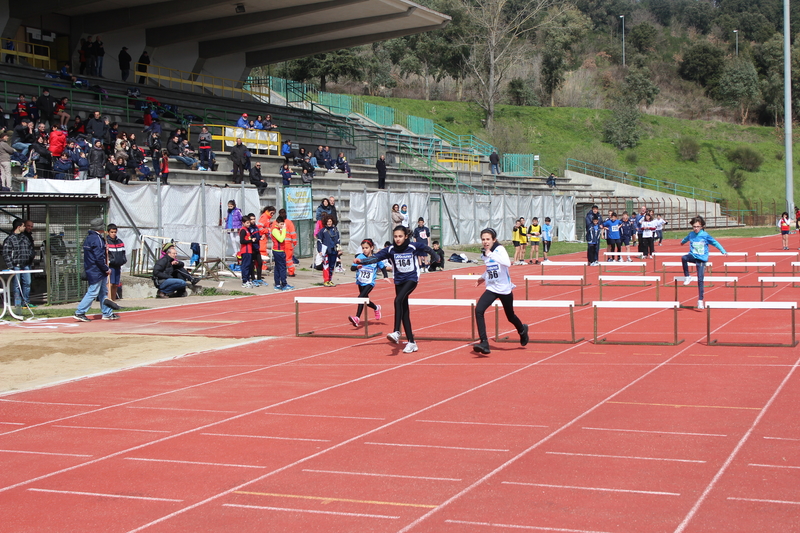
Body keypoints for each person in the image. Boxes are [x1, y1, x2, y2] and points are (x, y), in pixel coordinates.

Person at [355, 225, 436, 354]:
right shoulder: (391, 249)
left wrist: (435, 256)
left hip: (411, 279)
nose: (397, 239)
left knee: (397, 300)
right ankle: (411, 342)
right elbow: (376, 257)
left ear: (406, 236)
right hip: (398, 280)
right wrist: (362, 261)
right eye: (395, 236)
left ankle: (397, 332)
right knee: (404, 310)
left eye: (400, 236)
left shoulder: (413, 247)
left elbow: (427, 248)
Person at [472, 227, 529, 354]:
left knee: (510, 316)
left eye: (488, 239)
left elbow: (507, 263)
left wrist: (491, 254)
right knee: (479, 310)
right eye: (483, 239)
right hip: (492, 288)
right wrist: (482, 278)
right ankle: (484, 343)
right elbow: (490, 268)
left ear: (494, 240)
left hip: (504, 289)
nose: (485, 242)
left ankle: (522, 330)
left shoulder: (499, 250)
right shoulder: (485, 253)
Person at [74, 218, 117, 321]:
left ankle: (107, 312)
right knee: (93, 291)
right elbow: (99, 257)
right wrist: (106, 268)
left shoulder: (90, 238)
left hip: (93, 268)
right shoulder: (97, 239)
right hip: (96, 270)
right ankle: (80, 312)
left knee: (103, 291)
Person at [681, 216, 727, 310]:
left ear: (701, 226)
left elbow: (715, 243)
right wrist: (682, 242)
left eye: (697, 226)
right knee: (684, 258)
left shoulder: (705, 235)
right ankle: (687, 276)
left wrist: (723, 251)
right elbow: (686, 238)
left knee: (700, 280)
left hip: (702, 259)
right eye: (694, 226)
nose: (696, 228)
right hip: (693, 256)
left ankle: (700, 300)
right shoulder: (691, 234)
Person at [348, 238, 386, 327]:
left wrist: (386, 276)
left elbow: (383, 267)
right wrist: (357, 267)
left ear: (371, 248)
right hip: (361, 281)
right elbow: (352, 268)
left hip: (370, 282)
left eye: (366, 248)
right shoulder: (360, 257)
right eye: (363, 248)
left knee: (361, 297)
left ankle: (357, 317)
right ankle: (376, 307)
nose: (365, 250)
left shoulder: (375, 258)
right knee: (365, 300)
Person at [2, 218, 35, 313]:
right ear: (19, 227)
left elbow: (30, 249)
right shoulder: (10, 239)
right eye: (24, 226)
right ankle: (17, 303)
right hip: (16, 265)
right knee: (17, 285)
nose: (25, 227)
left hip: (26, 265)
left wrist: (30, 257)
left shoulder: (25, 237)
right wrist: (11, 266)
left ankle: (26, 302)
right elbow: (6, 253)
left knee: (27, 283)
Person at [271, 215, 293, 291]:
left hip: (279, 251)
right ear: (277, 223)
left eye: (283, 224)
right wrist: (284, 230)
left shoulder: (277, 230)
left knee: (277, 267)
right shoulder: (275, 230)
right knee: (282, 268)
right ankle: (284, 284)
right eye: (281, 224)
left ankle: (277, 284)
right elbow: (280, 239)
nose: (282, 226)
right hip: (278, 251)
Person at [318, 214, 341, 287]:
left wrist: (339, 249)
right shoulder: (323, 231)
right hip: (326, 251)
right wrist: (320, 250)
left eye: (330, 221)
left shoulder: (335, 230)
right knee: (326, 266)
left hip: (334, 250)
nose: (329, 223)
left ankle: (330, 279)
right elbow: (319, 241)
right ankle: (326, 280)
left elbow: (338, 240)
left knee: (332, 266)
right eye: (328, 221)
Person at [106, 223, 126, 300]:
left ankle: (113, 300)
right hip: (110, 266)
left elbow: (123, 252)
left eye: (115, 232)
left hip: (118, 265)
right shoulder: (106, 242)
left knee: (115, 284)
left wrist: (123, 260)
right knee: (109, 284)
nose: (113, 234)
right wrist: (109, 261)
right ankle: (109, 300)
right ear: (108, 232)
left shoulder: (120, 242)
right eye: (112, 232)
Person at [238, 216, 257, 288]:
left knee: (249, 266)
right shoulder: (243, 230)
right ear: (243, 223)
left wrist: (252, 239)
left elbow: (248, 238)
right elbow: (242, 241)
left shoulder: (247, 230)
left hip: (249, 250)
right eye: (247, 223)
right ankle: (244, 281)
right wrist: (250, 240)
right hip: (245, 250)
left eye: (249, 223)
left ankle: (248, 280)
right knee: (245, 266)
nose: (249, 224)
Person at [279, 208, 298, 277]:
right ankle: (291, 272)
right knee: (289, 259)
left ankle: (282, 272)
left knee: (281, 259)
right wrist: (294, 242)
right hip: (288, 243)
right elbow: (293, 233)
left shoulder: (277, 222)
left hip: (280, 243)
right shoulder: (289, 222)